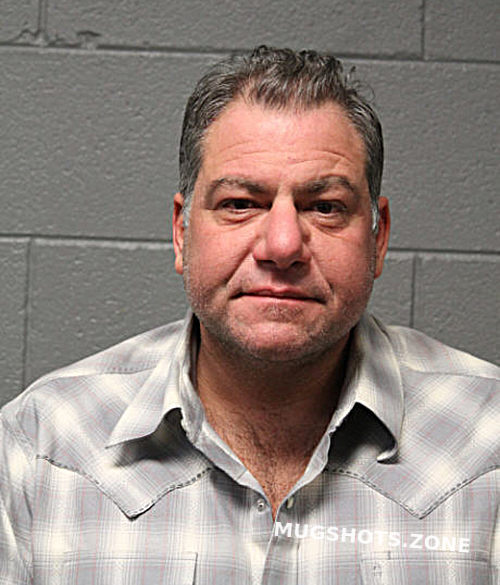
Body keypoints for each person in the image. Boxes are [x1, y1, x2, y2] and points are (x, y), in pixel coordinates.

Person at [0, 46, 498, 584]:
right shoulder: (41, 448)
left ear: (378, 239)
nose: (282, 246)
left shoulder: (488, 444)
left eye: (325, 207)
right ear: (182, 232)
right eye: (240, 204)